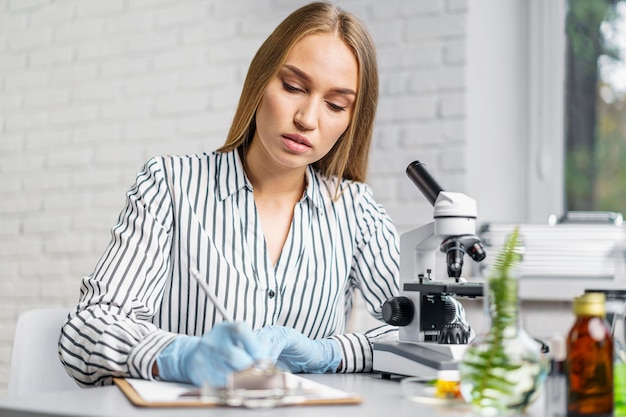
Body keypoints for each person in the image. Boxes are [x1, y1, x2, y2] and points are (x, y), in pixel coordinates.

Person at [59, 1, 399, 388]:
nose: (307, 118)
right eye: (292, 87)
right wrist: (178, 357)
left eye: (336, 105)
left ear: (352, 119)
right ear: (260, 80)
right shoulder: (171, 185)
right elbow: (84, 331)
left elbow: (429, 337)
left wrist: (332, 354)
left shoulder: (355, 211)